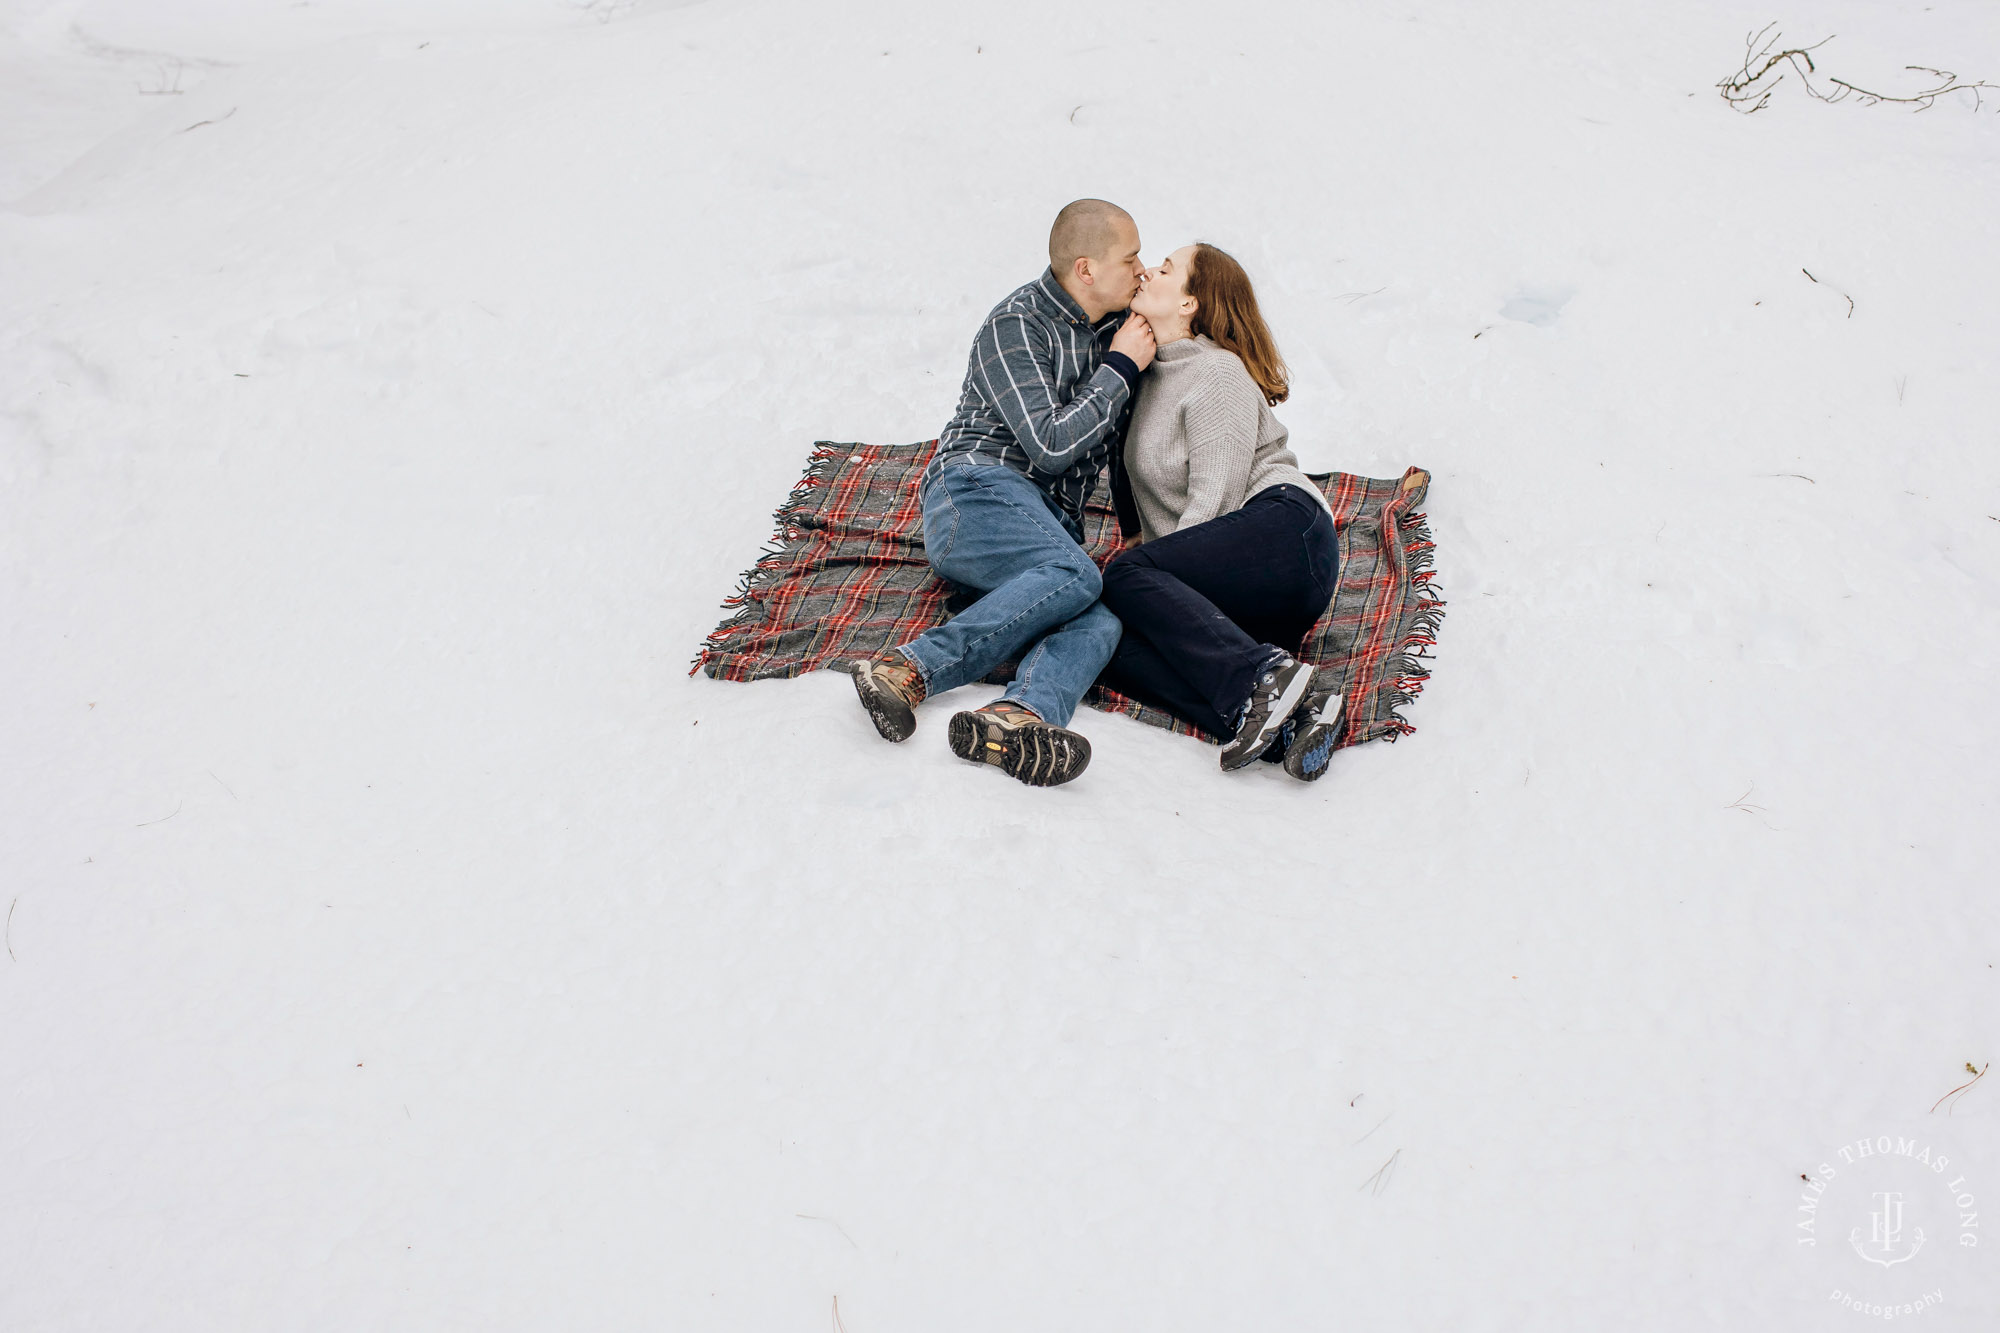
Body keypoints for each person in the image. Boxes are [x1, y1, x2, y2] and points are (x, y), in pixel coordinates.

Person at [849, 199, 1157, 787]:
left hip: (1045, 534)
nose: (1142, 270)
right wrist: (1119, 369)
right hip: (974, 492)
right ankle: (906, 670)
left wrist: (1134, 527)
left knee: (1101, 619)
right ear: (1086, 269)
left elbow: (1119, 443)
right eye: (1132, 257)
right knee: (1080, 578)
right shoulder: (1017, 323)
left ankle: (1015, 718)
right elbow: (1050, 444)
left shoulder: (1119, 332)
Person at [1097, 242, 1346, 781]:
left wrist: (1159, 579)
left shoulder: (1216, 371)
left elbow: (1215, 498)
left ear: (1189, 304)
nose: (1148, 272)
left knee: (1124, 577)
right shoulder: (1148, 379)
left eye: (1165, 269)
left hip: (1287, 535)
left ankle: (1263, 677)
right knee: (1111, 643)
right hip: (1243, 590)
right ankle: (1295, 713)